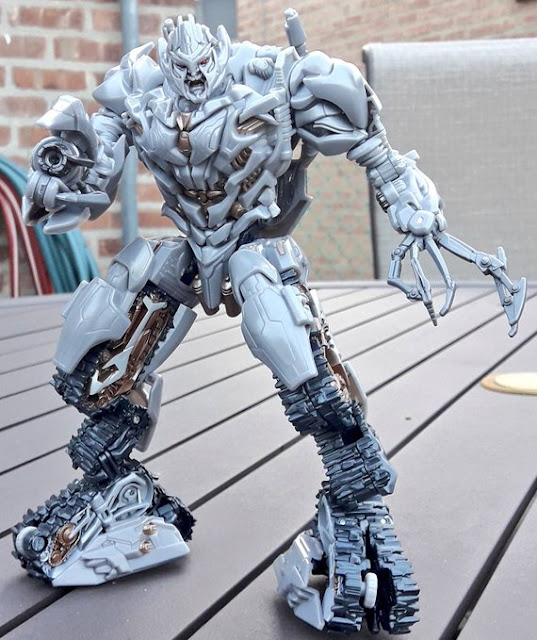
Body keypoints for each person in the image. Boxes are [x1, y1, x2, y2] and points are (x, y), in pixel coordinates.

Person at [13, 9, 525, 635]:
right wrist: (59, 169)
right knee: (89, 361)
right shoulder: (136, 89)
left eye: (201, 77)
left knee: (289, 342)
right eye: (180, 79)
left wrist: (408, 200)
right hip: (188, 248)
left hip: (254, 241)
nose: (191, 88)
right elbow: (90, 183)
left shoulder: (277, 76)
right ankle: (113, 482)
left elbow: (375, 150)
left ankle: (356, 502)